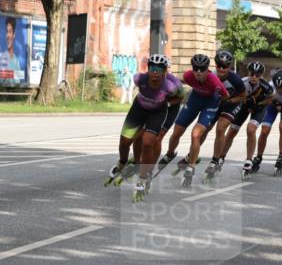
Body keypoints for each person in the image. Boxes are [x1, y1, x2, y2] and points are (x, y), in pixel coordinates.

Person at [105, 54, 185, 201]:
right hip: (140, 108)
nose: (155, 72)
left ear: (164, 72)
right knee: (125, 141)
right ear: (148, 69)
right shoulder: (139, 79)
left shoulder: (171, 85)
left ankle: (144, 176)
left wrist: (167, 103)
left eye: (158, 69)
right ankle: (124, 162)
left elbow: (180, 97)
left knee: (150, 142)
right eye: (152, 68)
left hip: (160, 110)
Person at [155, 53, 229, 187]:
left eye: (202, 69)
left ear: (207, 69)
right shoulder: (188, 76)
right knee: (177, 131)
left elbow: (226, 96)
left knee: (196, 134)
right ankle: (170, 153)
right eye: (196, 68)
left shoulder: (215, 82)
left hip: (210, 103)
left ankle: (191, 166)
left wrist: (216, 104)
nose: (198, 72)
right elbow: (179, 83)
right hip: (195, 99)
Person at [201, 50, 247, 182]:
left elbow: (243, 96)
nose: (221, 69)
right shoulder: (211, 76)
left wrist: (230, 101)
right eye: (219, 66)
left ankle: (215, 160)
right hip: (219, 103)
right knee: (206, 127)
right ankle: (193, 152)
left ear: (230, 66)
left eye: (225, 66)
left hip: (233, 103)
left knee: (220, 128)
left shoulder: (236, 79)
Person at [236, 61, 274, 179]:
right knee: (232, 130)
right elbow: (236, 97)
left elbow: (271, 99)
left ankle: (249, 160)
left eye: (257, 75)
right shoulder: (242, 82)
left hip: (259, 108)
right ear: (249, 73)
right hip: (245, 105)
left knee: (251, 129)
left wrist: (260, 103)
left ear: (261, 75)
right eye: (252, 74)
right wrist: (244, 101)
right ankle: (220, 158)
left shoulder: (266, 86)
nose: (254, 77)